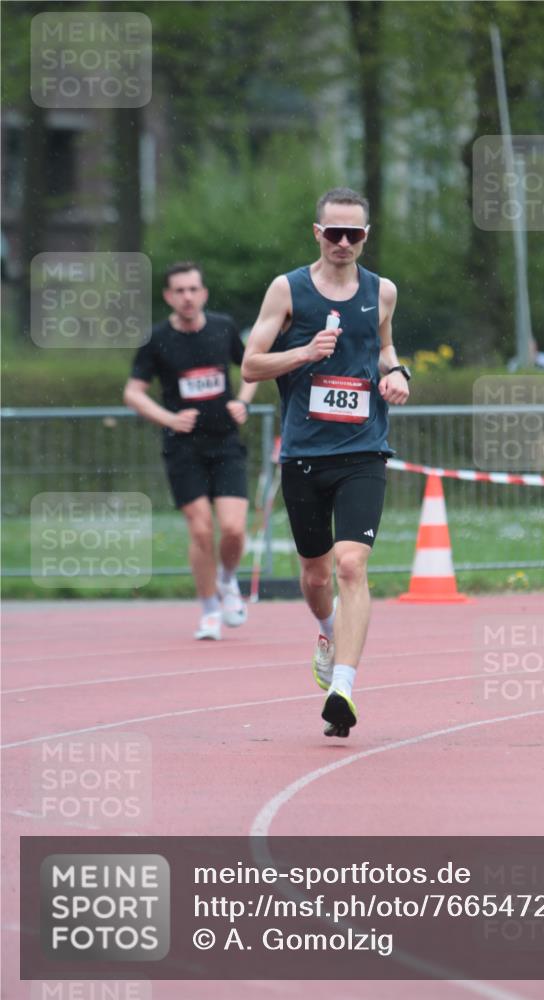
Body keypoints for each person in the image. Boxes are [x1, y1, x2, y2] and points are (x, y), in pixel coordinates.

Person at [242, 187, 410, 737]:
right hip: (305, 453)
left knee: (351, 566)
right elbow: (250, 365)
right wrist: (304, 353)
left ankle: (343, 686)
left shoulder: (381, 291)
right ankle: (327, 628)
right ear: (317, 232)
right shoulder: (286, 289)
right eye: (333, 232)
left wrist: (397, 374)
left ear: (366, 236)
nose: (342, 242)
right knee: (315, 575)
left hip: (364, 449)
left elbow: (385, 347)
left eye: (353, 234)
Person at [124, 262, 256, 640]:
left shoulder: (223, 327)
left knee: (232, 528)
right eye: (179, 290)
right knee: (201, 530)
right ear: (168, 296)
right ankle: (209, 610)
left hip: (226, 442)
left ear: (203, 294)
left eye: (193, 289)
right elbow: (133, 393)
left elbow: (251, 368)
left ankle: (227, 581)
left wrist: (243, 403)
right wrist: (168, 418)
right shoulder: (156, 339)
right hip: (184, 447)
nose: (187, 296)